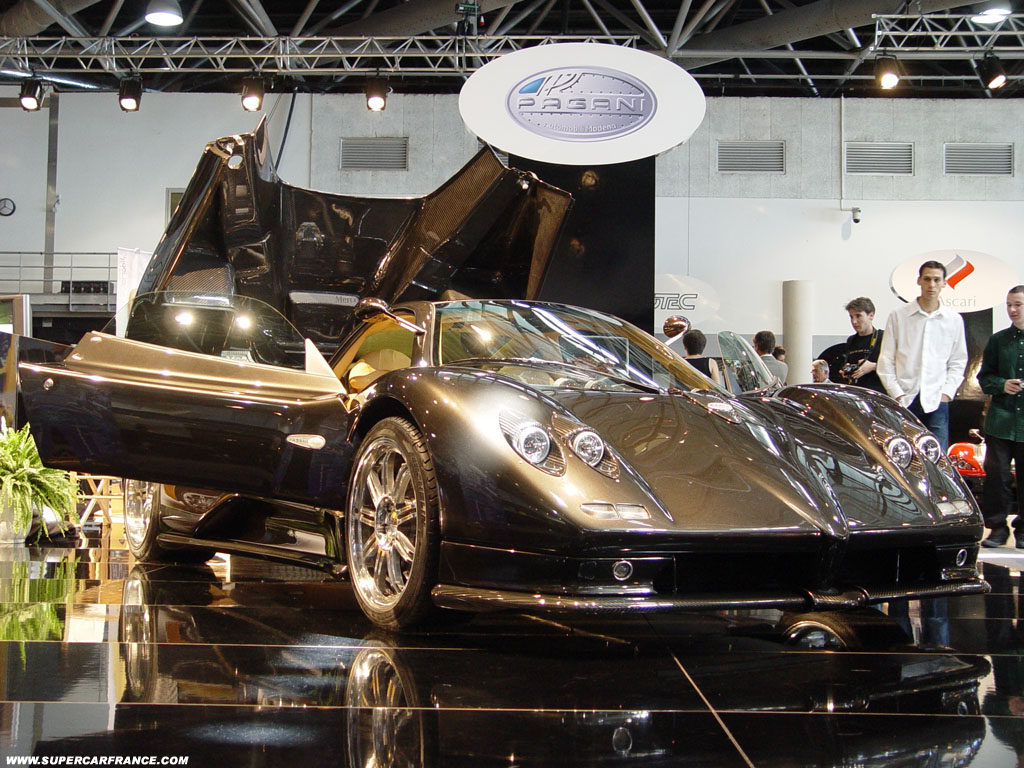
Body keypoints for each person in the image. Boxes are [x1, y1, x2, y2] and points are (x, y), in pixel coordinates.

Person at [877, 260, 967, 451]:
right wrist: (897, 394)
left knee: (938, 459)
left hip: (937, 400)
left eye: (936, 280)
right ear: (919, 281)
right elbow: (886, 360)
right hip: (905, 398)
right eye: (927, 279)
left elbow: (958, 361)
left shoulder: (953, 320)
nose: (931, 285)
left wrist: (946, 393)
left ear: (944, 283)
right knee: (902, 456)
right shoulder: (898, 315)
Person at [978, 285, 1024, 548]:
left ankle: (1023, 531)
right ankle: (997, 529)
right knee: (997, 478)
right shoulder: (998, 340)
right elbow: (984, 377)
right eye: (1009, 305)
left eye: (1018, 304)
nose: (1012, 310)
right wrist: (1001, 384)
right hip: (1001, 422)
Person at [841, 297, 886, 393]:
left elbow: (898, 367)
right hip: (856, 393)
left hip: (879, 394)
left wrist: (873, 366)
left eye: (858, 316)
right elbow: (849, 364)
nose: (854, 321)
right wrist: (846, 370)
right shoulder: (851, 340)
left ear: (871, 315)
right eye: (851, 317)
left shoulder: (884, 337)